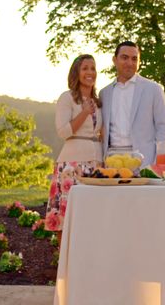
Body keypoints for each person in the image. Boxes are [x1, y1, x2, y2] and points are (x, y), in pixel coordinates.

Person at [43, 54, 103, 241]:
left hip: (96, 164)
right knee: (66, 218)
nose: (90, 72)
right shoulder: (67, 98)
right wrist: (84, 112)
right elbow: (63, 131)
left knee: (92, 219)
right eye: (85, 68)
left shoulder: (99, 101)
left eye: (93, 68)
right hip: (71, 164)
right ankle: (65, 267)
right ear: (76, 72)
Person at [99, 41, 165, 167]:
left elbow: (163, 128)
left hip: (144, 160)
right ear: (115, 60)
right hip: (111, 160)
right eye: (124, 58)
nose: (130, 63)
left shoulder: (153, 89)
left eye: (134, 59)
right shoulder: (104, 93)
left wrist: (157, 162)